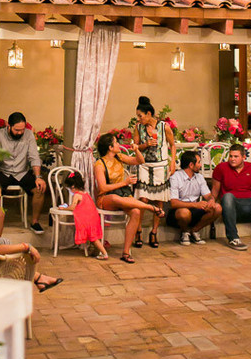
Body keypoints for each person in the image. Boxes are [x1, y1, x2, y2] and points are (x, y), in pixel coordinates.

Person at [94, 133, 166, 264]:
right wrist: (124, 183)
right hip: (106, 198)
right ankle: (151, 207)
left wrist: (137, 150)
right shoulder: (99, 164)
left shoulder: (119, 157)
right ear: (110, 147)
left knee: (136, 212)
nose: (118, 145)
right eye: (116, 143)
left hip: (123, 194)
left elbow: (140, 161)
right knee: (115, 198)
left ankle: (126, 252)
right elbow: (102, 188)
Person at [133, 95, 176, 249]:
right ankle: (138, 230)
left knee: (159, 201)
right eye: (137, 116)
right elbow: (135, 147)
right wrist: (146, 144)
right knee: (143, 200)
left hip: (160, 166)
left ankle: (154, 232)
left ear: (149, 114)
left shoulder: (164, 127)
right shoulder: (138, 128)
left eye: (140, 116)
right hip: (144, 166)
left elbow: (172, 144)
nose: (139, 119)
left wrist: (172, 162)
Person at [0, 111, 46, 233]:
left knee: (40, 188)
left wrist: (38, 177)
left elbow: (34, 156)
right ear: (9, 126)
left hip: (22, 172)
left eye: (22, 130)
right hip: (4, 172)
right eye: (17, 130)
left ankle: (35, 222)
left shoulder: (28, 135)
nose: (20, 133)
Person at [167, 150, 222, 245]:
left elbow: (208, 195)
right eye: (199, 162)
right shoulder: (175, 177)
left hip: (196, 209)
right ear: (191, 165)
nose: (200, 165)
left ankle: (194, 231)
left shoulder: (199, 177)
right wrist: (195, 205)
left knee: (217, 208)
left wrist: (211, 200)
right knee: (184, 212)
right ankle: (184, 232)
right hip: (179, 210)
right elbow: (174, 203)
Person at [63, 170, 108, 260]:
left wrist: (64, 208)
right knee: (93, 238)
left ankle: (104, 253)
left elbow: (72, 207)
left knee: (94, 239)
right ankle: (98, 251)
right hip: (93, 218)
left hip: (87, 221)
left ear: (72, 187)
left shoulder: (76, 195)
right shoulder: (86, 194)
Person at [0, 237, 64, 291]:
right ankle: (38, 277)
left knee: (5, 242)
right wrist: (27, 247)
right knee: (18, 253)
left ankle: (38, 277)